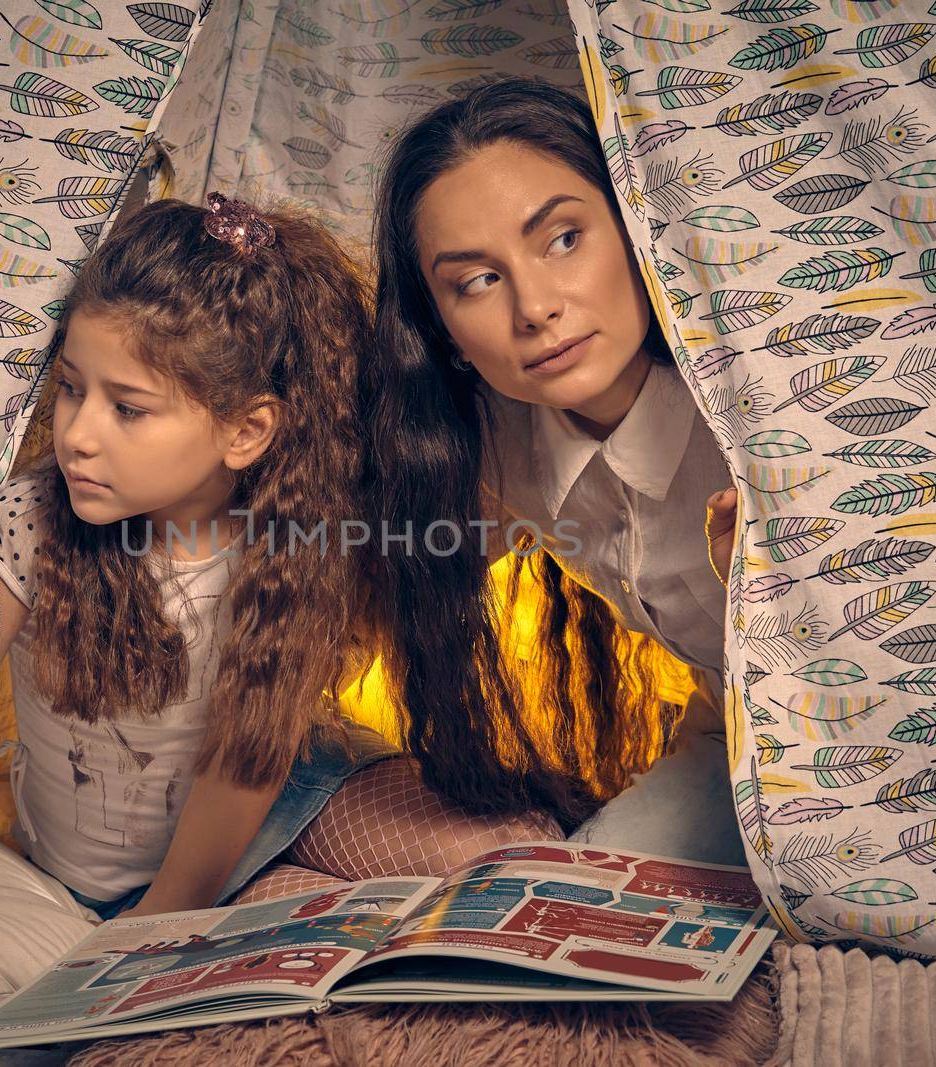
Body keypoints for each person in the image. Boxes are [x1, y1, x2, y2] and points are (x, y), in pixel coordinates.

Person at [0, 193, 554, 920]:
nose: (77, 435)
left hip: (273, 802)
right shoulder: (30, 520)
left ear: (247, 431)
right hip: (98, 872)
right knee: (307, 918)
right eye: (72, 389)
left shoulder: (293, 538)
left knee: (515, 853)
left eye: (127, 408)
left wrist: (166, 910)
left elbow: (247, 758)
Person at [366, 78, 745, 864]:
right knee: (573, 901)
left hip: (876, 734)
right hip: (732, 746)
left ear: (635, 226)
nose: (535, 306)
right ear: (441, 328)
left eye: (563, 239)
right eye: (476, 281)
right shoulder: (492, 447)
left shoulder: (758, 413)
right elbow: (343, 616)